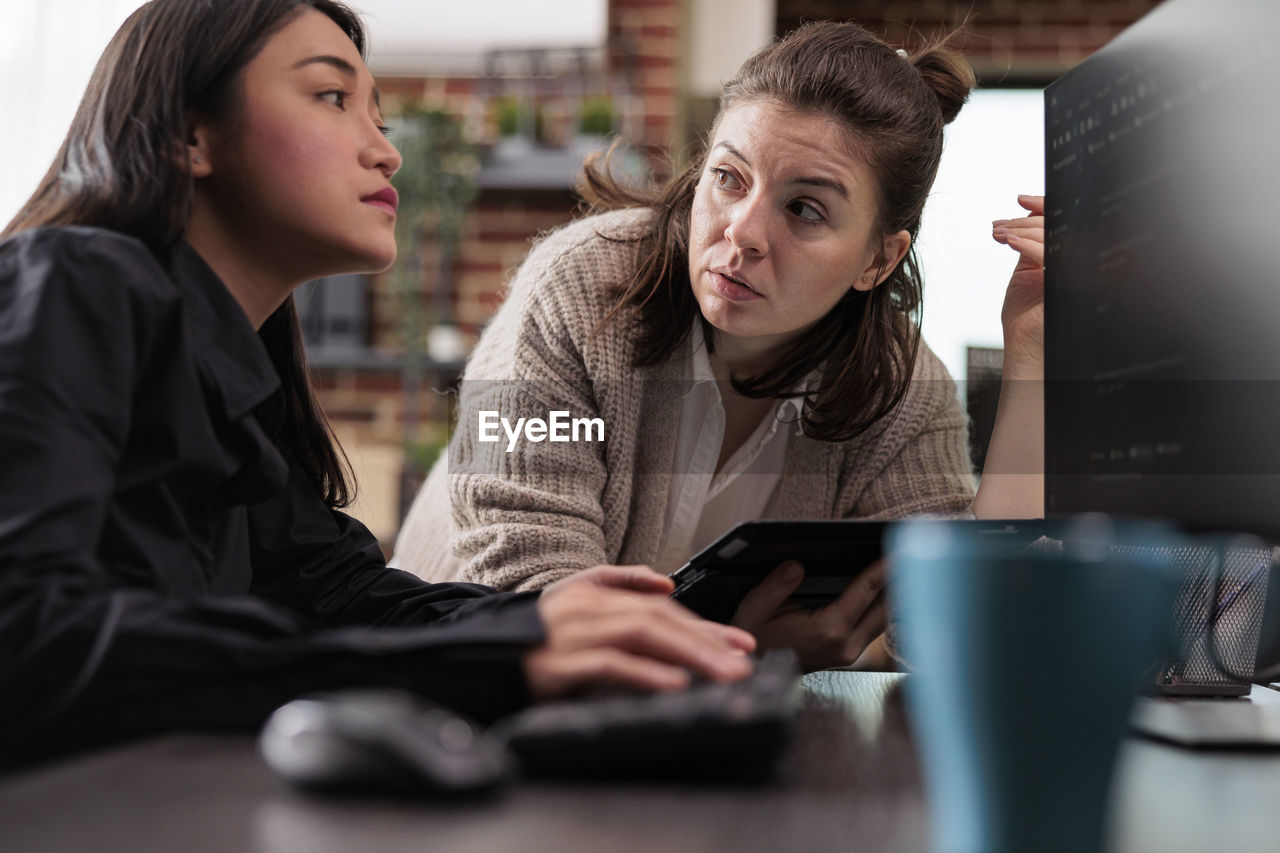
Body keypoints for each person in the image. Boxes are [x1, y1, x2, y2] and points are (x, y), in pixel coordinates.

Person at [0, 0, 758, 769]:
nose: (387, 152)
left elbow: (340, 597)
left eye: (379, 116)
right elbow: (24, 631)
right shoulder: (70, 284)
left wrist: (545, 622)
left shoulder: (239, 378)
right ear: (192, 132)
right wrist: (501, 654)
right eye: (332, 98)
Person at [393, 22, 1046, 670]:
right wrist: (748, 650)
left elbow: (954, 629)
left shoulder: (897, 390)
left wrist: (1030, 360)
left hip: (665, 738)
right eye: (729, 179)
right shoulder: (577, 286)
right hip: (439, 694)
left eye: (805, 210)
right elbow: (533, 593)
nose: (744, 231)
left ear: (879, 259)